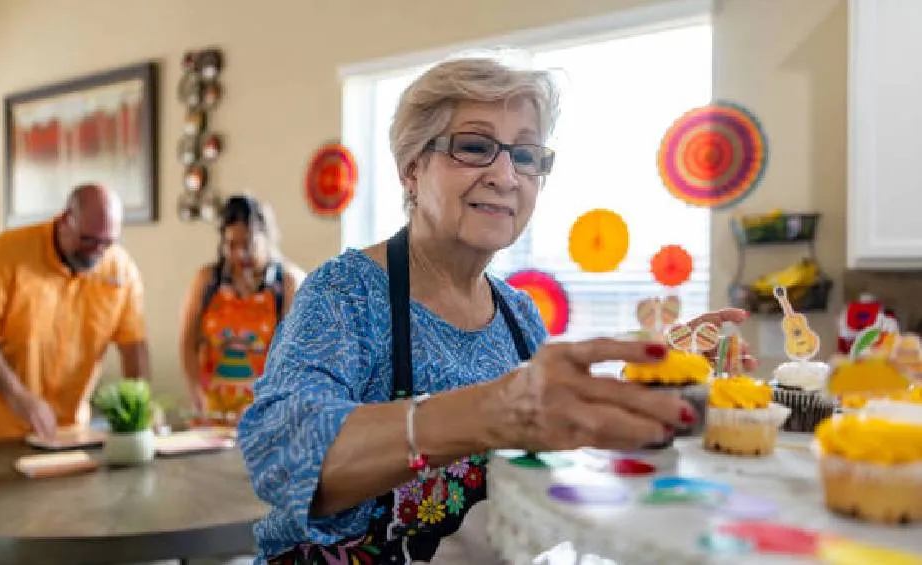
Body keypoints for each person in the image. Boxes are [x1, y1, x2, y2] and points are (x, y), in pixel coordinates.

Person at [238, 57, 756, 564]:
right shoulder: (346, 294)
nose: (506, 176)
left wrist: (649, 382)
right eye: (474, 147)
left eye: (526, 155)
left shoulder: (519, 316)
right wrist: (493, 412)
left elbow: (543, 455)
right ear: (411, 169)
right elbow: (282, 457)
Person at [0, 184, 150, 446]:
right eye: (87, 239)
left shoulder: (121, 270)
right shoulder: (0, 255)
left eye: (107, 242)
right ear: (66, 220)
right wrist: (19, 396)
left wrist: (142, 407)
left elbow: (134, 346)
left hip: (71, 430)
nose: (97, 251)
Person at [179, 195, 305, 425]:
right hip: (213, 412)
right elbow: (188, 343)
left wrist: (270, 403)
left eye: (247, 244)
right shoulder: (208, 280)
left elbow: (296, 356)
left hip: (267, 414)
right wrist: (196, 392)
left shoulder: (287, 283)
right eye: (231, 245)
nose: (239, 254)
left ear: (267, 238)